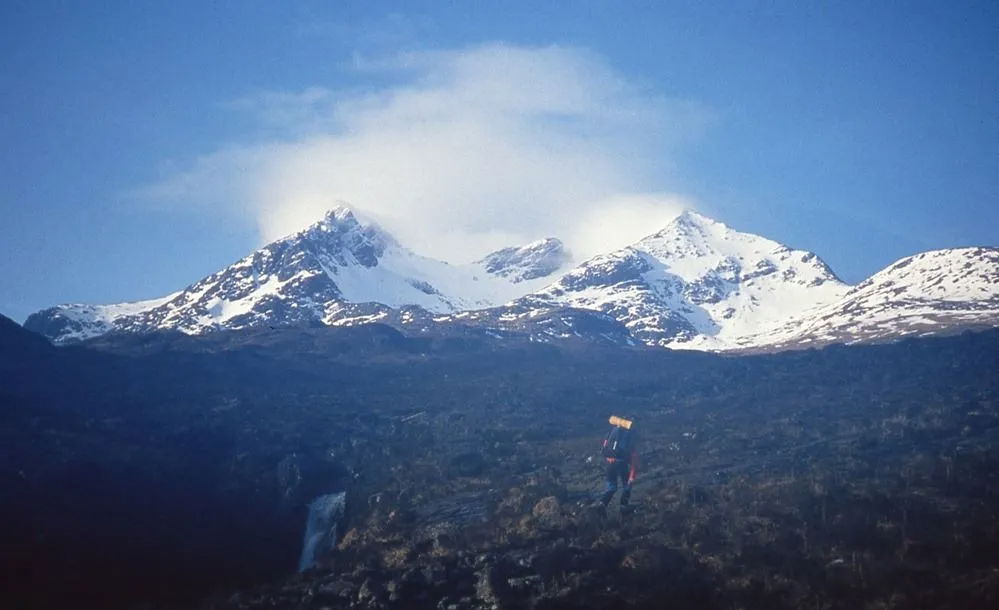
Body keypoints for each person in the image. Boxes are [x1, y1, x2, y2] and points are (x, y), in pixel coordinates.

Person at [600, 415, 639, 509]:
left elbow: (604, 446)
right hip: (621, 463)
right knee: (627, 485)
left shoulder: (613, 431)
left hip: (609, 462)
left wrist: (609, 458)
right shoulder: (629, 436)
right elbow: (634, 458)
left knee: (611, 487)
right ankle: (623, 506)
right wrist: (632, 477)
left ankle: (601, 505)